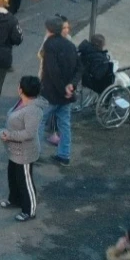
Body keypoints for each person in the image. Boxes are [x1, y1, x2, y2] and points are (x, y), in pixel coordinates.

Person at [0, 75, 43, 222]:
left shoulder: (32, 110)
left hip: (24, 153)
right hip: (14, 151)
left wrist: (9, 135)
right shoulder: (22, 102)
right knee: (13, 177)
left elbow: (29, 133)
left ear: (21, 90)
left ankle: (29, 210)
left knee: (25, 181)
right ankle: (15, 200)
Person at [39, 15, 79, 167]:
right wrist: (71, 86)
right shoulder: (70, 46)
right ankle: (64, 155)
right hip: (66, 96)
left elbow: (52, 71)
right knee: (65, 124)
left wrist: (63, 89)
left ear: (50, 30)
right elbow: (79, 68)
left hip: (51, 94)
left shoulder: (49, 45)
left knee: (39, 121)